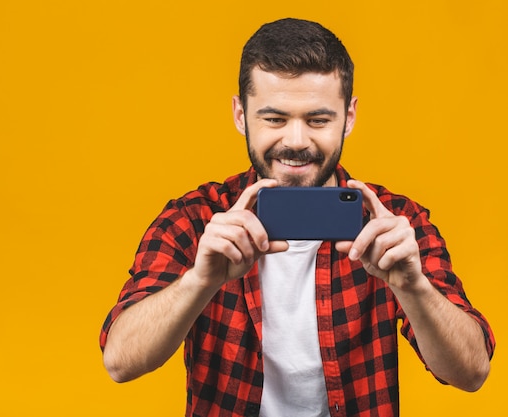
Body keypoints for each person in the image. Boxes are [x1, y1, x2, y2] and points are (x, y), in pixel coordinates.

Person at [99, 18, 495, 417]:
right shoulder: (196, 219)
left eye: (318, 120)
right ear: (240, 114)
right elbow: (121, 361)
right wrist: (200, 281)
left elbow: (471, 372)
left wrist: (414, 287)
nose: (295, 141)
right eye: (274, 119)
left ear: (349, 117)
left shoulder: (393, 223)